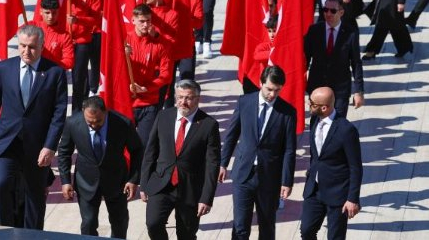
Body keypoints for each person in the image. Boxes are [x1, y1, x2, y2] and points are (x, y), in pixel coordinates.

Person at [0, 25, 68, 230]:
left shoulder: (55, 72)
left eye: (31, 47)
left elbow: (59, 114)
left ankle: (32, 235)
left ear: (41, 46)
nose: (26, 51)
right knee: (0, 185)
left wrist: (49, 146)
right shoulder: (5, 68)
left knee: (34, 196)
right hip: (6, 141)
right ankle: (4, 229)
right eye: (22, 46)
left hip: (36, 146)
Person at [218, 66, 297, 240]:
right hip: (243, 174)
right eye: (269, 89)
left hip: (269, 177)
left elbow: (289, 150)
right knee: (240, 226)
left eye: (277, 91)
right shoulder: (244, 102)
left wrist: (287, 181)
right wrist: (223, 163)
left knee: (267, 225)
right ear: (261, 83)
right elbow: (231, 135)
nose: (272, 94)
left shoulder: (288, 112)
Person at [141, 79, 220, 240]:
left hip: (190, 189)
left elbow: (212, 164)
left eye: (189, 98)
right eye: (180, 97)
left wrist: (206, 198)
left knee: (186, 235)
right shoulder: (164, 116)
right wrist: (144, 184)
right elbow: (150, 152)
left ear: (198, 99)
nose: (183, 102)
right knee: (153, 224)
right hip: (162, 184)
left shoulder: (208, 125)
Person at [58, 96, 143, 239]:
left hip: (116, 181)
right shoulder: (73, 123)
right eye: (89, 122)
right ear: (84, 112)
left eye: (98, 121)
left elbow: (137, 150)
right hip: (86, 181)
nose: (93, 125)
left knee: (119, 222)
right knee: (88, 223)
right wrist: (65, 181)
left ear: (106, 112)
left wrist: (133, 179)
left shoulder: (122, 123)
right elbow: (64, 152)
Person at [301, 87, 363, 240]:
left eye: (312, 104)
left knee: (335, 237)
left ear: (325, 107)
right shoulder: (315, 119)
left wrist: (352, 198)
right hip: (314, 190)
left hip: (337, 194)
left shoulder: (346, 130)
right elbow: (316, 155)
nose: (309, 106)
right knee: (307, 230)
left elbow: (355, 167)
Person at [305, 0, 364, 118]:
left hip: (339, 89)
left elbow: (356, 62)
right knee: (316, 124)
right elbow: (305, 58)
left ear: (341, 12)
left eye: (333, 11)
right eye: (325, 10)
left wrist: (359, 91)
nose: (328, 14)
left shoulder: (351, 33)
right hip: (317, 87)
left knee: (337, 125)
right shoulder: (314, 30)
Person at [126, 4, 172, 146]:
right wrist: (121, 55)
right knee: (126, 145)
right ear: (133, 20)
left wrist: (148, 88)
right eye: (142, 21)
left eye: (148, 21)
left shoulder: (159, 44)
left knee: (145, 145)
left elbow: (166, 74)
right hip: (127, 100)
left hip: (149, 101)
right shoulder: (124, 41)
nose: (146, 25)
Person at [68, 0, 102, 111]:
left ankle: (77, 109)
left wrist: (78, 20)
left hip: (83, 39)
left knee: (79, 77)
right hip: (65, 38)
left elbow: (95, 19)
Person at [34, 0, 74, 70]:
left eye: (54, 13)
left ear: (58, 12)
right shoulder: (32, 26)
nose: (51, 16)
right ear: (40, 12)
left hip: (52, 73)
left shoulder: (65, 36)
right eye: (47, 13)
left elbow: (69, 62)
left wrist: (51, 65)